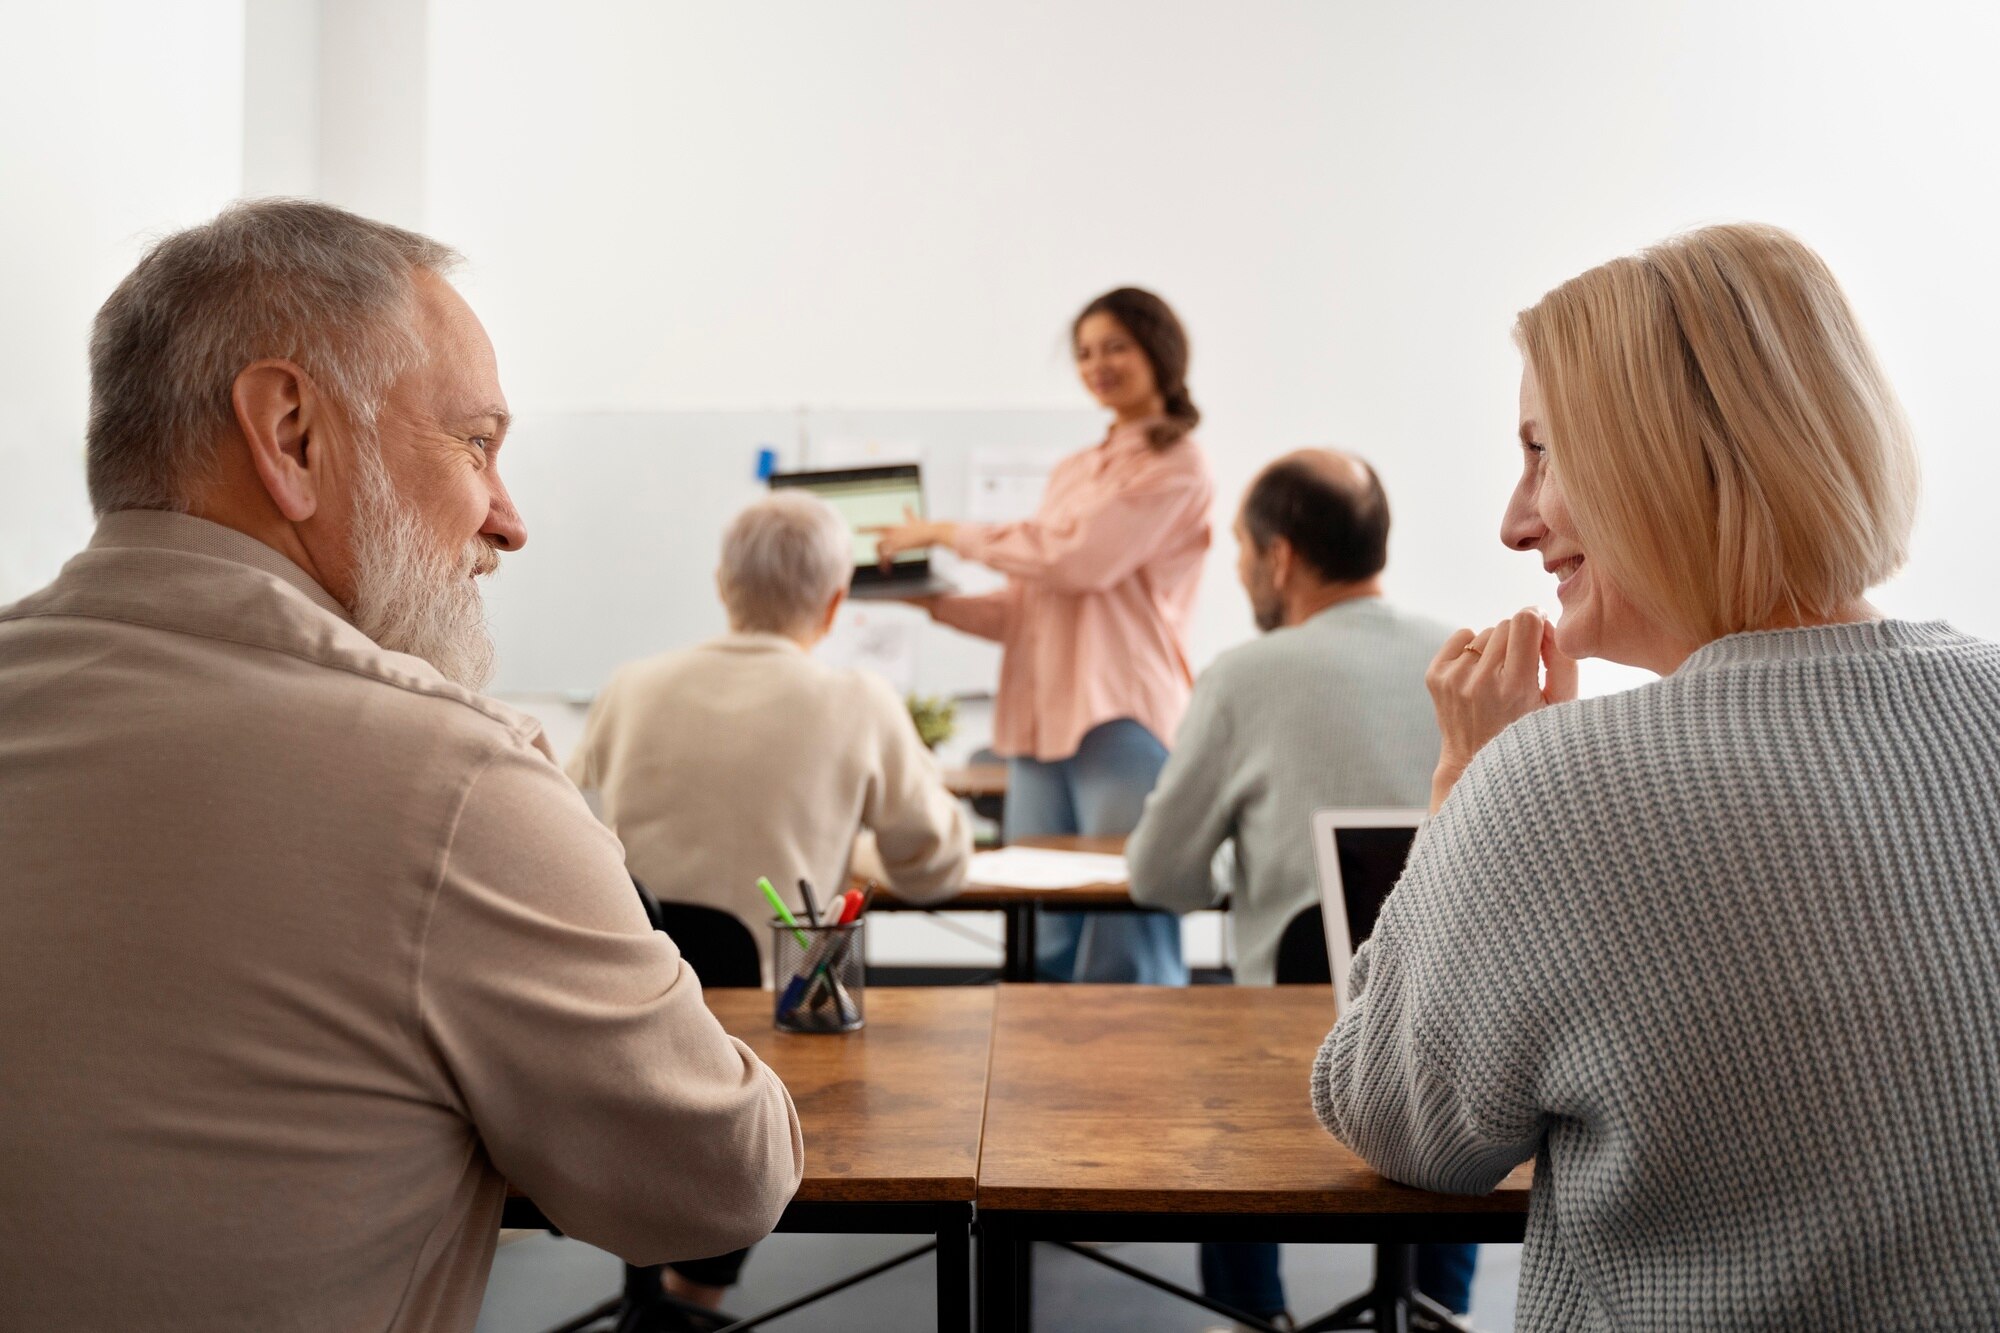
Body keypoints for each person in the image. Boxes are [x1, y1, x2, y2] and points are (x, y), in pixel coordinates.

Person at [0, 199, 803, 1332]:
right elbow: (723, 1182)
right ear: (292, 435)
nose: (508, 520)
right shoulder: (448, 781)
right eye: (476, 442)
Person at [1313, 223, 2000, 1329]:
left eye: (1541, 452)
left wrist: (1465, 779)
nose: (1511, 519)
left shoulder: (1548, 784)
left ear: (1663, 458)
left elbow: (1401, 1123)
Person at [1125, 450, 1472, 1329]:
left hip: (1293, 1036)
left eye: (1241, 548)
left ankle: (1254, 1317)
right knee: (1455, 1074)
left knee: (1223, 1067)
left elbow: (1160, 879)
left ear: (1279, 555)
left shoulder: (1244, 675)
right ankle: (1437, 1309)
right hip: (1458, 1039)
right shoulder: (1464, 662)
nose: (1241, 567)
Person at [874, 286, 1213, 983]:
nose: (1098, 364)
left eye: (1115, 345)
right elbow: (1026, 609)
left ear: (1158, 349)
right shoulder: (1074, 468)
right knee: (1043, 933)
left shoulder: (1177, 464)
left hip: (1118, 719)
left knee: (1125, 937)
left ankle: (1136, 1090)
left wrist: (945, 531)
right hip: (1035, 730)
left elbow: (1077, 560)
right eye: (1086, 352)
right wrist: (928, 599)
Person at [566, 489, 972, 976]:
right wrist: (859, 851)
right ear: (835, 602)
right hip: (783, 1006)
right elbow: (934, 869)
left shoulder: (629, 688)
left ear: (721, 585)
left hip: (646, 995)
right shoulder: (859, 700)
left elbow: (567, 832)